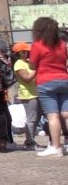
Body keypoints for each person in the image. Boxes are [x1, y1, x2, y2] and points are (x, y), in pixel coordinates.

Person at [28, 17, 68, 157]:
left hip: (46, 82)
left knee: (53, 116)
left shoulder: (37, 45)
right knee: (66, 114)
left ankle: (56, 147)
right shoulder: (62, 45)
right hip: (64, 80)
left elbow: (32, 65)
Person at [11, 42, 41, 151]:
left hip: (35, 93)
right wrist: (36, 69)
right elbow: (27, 78)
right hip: (28, 95)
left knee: (36, 118)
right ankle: (29, 142)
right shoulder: (19, 64)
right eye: (26, 51)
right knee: (31, 119)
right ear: (21, 53)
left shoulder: (26, 62)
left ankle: (30, 140)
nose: (28, 53)